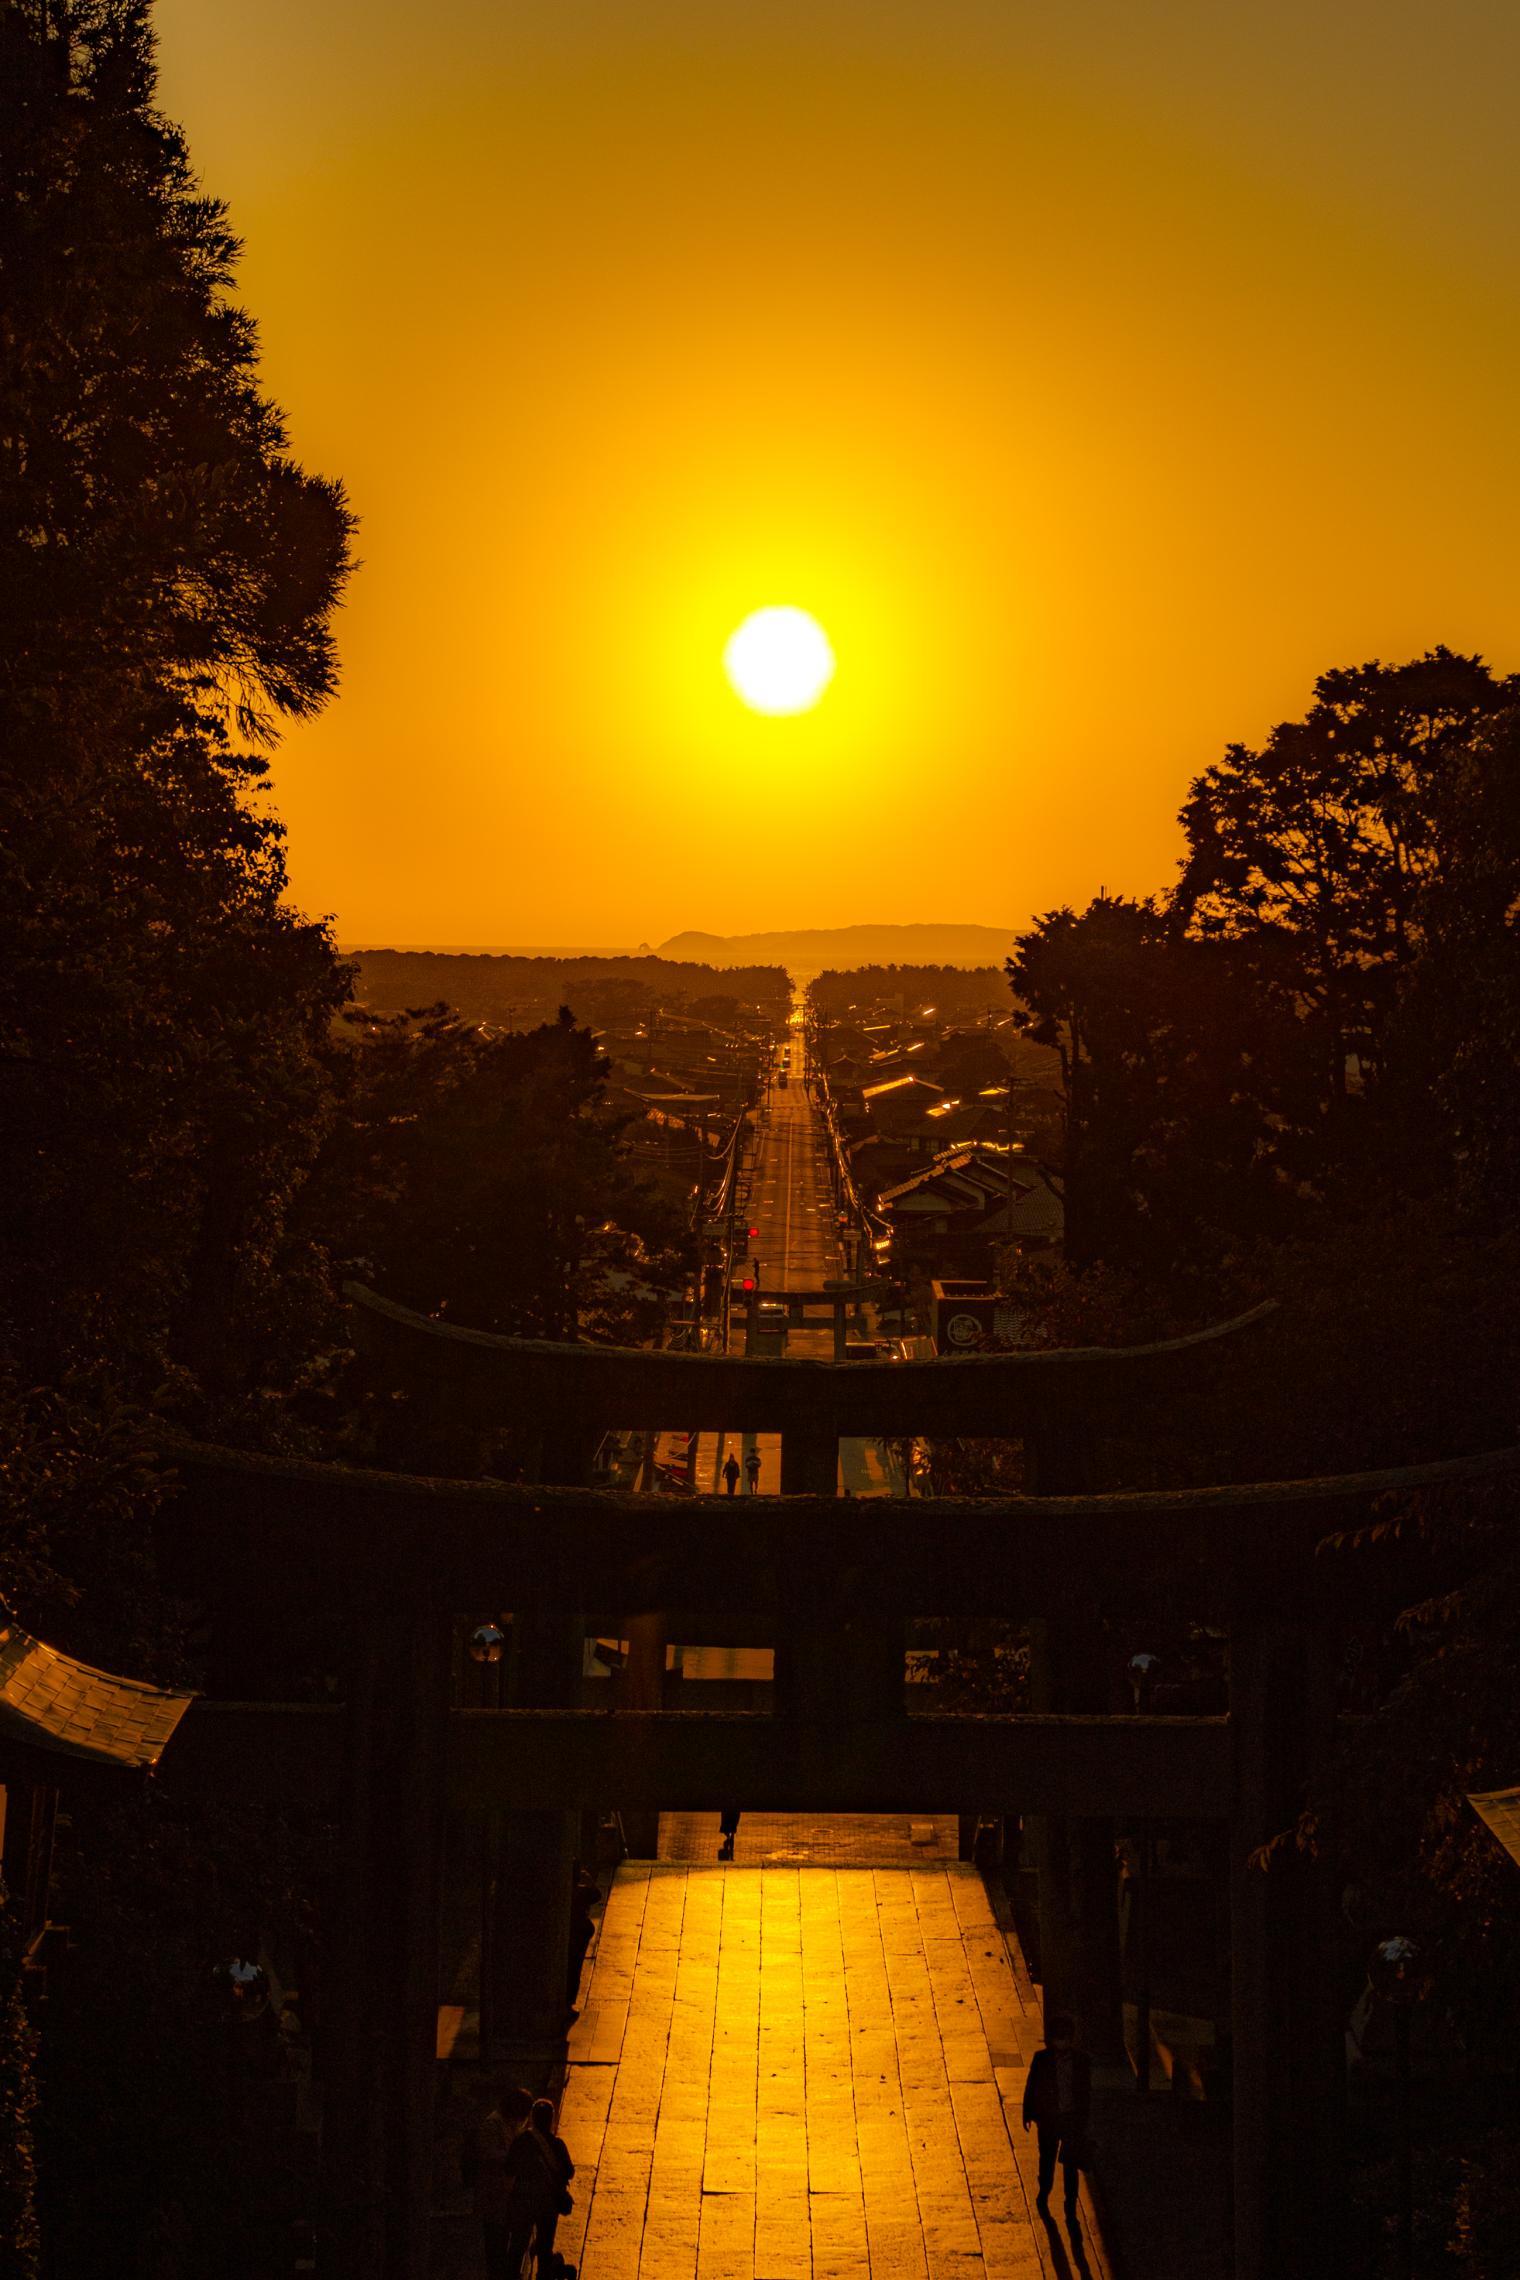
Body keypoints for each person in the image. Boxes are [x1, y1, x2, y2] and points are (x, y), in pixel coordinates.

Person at [474, 2085, 560, 2279]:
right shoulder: (493, 2125)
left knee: (508, 2239)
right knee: (495, 2242)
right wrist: (516, 2157)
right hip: (494, 2194)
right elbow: (489, 2154)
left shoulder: (513, 2125)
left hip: (509, 2195)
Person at [1022, 2014, 1092, 2221]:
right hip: (1049, 2119)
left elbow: (1085, 2092)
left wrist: (1084, 2119)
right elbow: (1031, 2086)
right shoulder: (1041, 2059)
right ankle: (1045, 2190)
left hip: (1071, 2118)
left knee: (1070, 2162)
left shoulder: (1081, 2061)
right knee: (1047, 2159)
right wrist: (1028, 2112)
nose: (1061, 2041)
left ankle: (1070, 2200)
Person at [531, 2096, 576, 2278]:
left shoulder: (525, 2141)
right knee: (546, 2236)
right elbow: (569, 2171)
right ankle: (550, 2268)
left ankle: (548, 2266)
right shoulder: (557, 2144)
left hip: (528, 2198)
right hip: (549, 2201)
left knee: (531, 2238)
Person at [566, 1865, 601, 2012]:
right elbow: (597, 1895)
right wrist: (590, 1881)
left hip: (576, 1933)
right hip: (579, 1934)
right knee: (574, 1969)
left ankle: (567, 2003)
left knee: (573, 1968)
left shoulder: (572, 1892)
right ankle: (568, 2002)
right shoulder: (581, 1891)